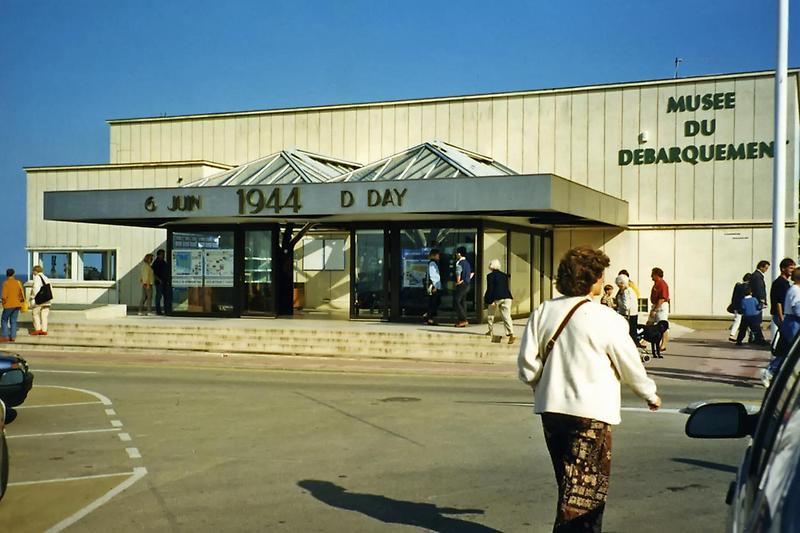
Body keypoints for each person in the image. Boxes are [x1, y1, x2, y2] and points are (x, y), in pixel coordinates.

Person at [518, 245, 660, 532]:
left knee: (569, 483)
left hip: (552, 411)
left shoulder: (544, 311)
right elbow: (630, 365)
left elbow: (527, 368)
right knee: (587, 492)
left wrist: (543, 385)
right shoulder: (606, 318)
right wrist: (649, 393)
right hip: (591, 414)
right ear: (593, 279)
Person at [762, 269, 800, 387]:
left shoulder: (795, 289)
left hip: (793, 322)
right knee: (791, 352)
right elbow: (798, 309)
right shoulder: (796, 291)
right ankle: (769, 371)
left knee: (789, 352)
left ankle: (771, 371)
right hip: (793, 323)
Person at [484, 258, 514, 343]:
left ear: (491, 266)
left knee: (490, 315)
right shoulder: (504, 275)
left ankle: (490, 331)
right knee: (507, 316)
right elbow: (504, 287)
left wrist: (490, 300)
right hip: (507, 297)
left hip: (496, 298)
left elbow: (490, 289)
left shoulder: (490, 276)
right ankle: (511, 334)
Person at [770, 258, 796, 339]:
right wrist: (782, 319)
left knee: (784, 337)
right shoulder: (781, 283)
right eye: (791, 268)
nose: (793, 270)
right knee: (788, 337)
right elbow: (779, 302)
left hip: (783, 315)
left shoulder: (785, 283)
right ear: (783, 268)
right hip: (781, 315)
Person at [647, 267, 670, 352]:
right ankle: (644, 341)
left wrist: (655, 310)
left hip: (661, 306)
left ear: (657, 275)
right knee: (649, 323)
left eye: (652, 274)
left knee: (662, 325)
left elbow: (662, 298)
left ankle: (663, 345)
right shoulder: (656, 283)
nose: (651, 276)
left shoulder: (662, 284)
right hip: (655, 305)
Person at [1, 269, 25, 342]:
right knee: (13, 320)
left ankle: (5, 336)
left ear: (7, 274)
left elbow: (4, 296)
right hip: (17, 304)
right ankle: (13, 337)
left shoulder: (5, 283)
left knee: (4, 320)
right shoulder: (18, 282)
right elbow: (21, 294)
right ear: (13, 274)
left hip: (9, 304)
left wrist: (3, 303)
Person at [728, 273, 752, 342]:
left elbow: (734, 297)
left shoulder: (738, 285)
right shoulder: (747, 287)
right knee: (744, 321)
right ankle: (732, 335)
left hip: (736, 306)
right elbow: (747, 297)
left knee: (738, 320)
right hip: (743, 307)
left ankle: (732, 334)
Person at [30, 265, 52, 335]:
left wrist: (32, 297)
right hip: (47, 299)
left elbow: (36, 288)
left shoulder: (37, 277)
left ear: (35, 271)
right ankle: (44, 330)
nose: (32, 272)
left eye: (33, 271)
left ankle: (38, 329)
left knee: (35, 313)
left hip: (39, 300)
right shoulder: (46, 278)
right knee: (44, 315)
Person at [453, 247, 473, 328]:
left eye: (457, 253)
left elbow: (458, 272)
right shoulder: (467, 263)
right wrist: (467, 279)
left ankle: (463, 319)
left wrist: (458, 281)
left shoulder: (459, 263)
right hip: (467, 284)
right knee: (462, 302)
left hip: (461, 285)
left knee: (457, 301)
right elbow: (472, 273)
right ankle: (461, 321)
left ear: (459, 254)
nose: (456, 255)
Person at [615, 274, 638, 340]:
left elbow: (626, 306)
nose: (619, 287)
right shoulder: (631, 290)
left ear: (622, 283)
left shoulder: (626, 292)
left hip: (628, 315)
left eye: (618, 285)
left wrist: (619, 300)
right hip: (633, 314)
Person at [422, 249, 442, 325]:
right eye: (438, 255)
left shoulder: (432, 263)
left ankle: (428, 316)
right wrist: (435, 286)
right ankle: (429, 317)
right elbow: (433, 276)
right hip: (434, 286)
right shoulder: (433, 263)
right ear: (434, 255)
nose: (439, 256)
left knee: (434, 301)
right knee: (434, 302)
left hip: (434, 285)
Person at [152, 249, 169, 316]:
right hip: (159, 283)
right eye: (162, 254)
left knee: (166, 296)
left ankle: (166, 310)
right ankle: (158, 311)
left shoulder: (164, 262)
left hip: (165, 282)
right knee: (158, 297)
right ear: (158, 255)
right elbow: (153, 273)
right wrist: (159, 279)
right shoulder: (156, 263)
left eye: (164, 254)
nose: (163, 256)